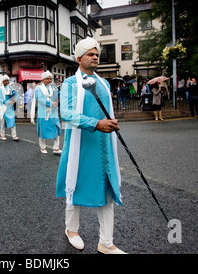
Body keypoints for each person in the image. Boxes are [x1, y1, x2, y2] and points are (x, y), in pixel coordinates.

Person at [55, 37, 125, 254]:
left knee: (108, 189)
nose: (95, 57)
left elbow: (107, 112)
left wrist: (111, 123)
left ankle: (106, 243)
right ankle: (71, 230)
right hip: (81, 146)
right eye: (90, 54)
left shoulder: (104, 83)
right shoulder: (69, 84)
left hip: (104, 147)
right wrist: (95, 124)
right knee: (74, 185)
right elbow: (66, 113)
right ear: (79, 58)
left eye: (97, 54)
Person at [31, 71, 61, 154]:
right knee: (42, 130)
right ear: (43, 79)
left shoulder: (53, 88)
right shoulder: (38, 88)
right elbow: (39, 99)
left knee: (57, 129)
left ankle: (56, 147)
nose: (49, 80)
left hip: (54, 113)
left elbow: (57, 95)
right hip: (43, 113)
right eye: (47, 79)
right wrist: (50, 103)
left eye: (50, 78)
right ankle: (43, 147)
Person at [0, 75, 19, 141]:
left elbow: (16, 94)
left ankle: (14, 136)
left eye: (7, 81)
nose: (7, 82)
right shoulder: (0, 89)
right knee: (2, 122)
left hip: (10, 108)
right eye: (5, 81)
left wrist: (14, 99)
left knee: (12, 121)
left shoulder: (10, 88)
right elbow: (0, 98)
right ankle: (2, 135)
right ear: (2, 81)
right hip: (3, 107)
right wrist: (6, 102)